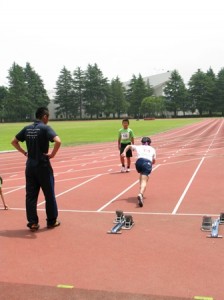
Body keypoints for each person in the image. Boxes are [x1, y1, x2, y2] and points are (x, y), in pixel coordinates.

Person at [11, 107, 61, 231]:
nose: (48, 120)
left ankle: (32, 222)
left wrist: (24, 152)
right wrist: (53, 154)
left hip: (30, 166)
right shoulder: (45, 128)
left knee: (31, 196)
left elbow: (14, 141)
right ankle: (51, 221)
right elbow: (58, 141)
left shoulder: (27, 128)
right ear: (44, 116)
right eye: (48, 117)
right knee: (49, 195)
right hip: (43, 166)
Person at [121, 137, 156, 207]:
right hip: (147, 163)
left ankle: (141, 191)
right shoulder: (152, 149)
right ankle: (140, 194)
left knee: (141, 174)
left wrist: (124, 152)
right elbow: (154, 161)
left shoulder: (139, 147)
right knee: (144, 181)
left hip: (138, 163)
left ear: (142, 142)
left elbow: (129, 146)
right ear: (149, 143)